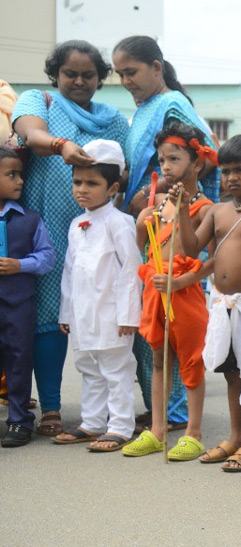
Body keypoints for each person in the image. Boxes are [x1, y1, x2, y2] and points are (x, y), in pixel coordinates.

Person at [11, 40, 130, 438]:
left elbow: (124, 172)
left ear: (100, 79)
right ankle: (40, 406)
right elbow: (29, 134)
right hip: (40, 228)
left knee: (86, 323)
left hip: (96, 230)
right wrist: (62, 146)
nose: (79, 81)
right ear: (55, 75)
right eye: (70, 73)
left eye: (88, 75)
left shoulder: (114, 120)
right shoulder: (39, 100)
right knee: (40, 318)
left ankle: (84, 415)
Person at [113, 35, 218, 430]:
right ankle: (160, 416)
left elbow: (206, 156)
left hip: (179, 230)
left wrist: (168, 195)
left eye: (132, 71)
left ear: (156, 67)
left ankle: (179, 417)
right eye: (120, 73)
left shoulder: (171, 103)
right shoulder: (142, 109)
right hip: (154, 223)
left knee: (183, 338)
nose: (125, 80)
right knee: (154, 337)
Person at [176, 134, 241, 471]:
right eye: (225, 171)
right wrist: (181, 211)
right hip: (221, 303)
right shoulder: (217, 211)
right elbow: (191, 251)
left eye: (240, 170)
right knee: (231, 372)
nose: (231, 177)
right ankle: (235, 437)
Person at [123, 122, 216, 460]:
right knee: (158, 361)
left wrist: (181, 282)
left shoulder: (205, 208)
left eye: (174, 159)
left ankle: (193, 432)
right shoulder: (158, 205)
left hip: (185, 294)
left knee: (191, 363)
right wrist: (139, 225)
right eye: (162, 160)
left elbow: (211, 260)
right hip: (155, 292)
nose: (166, 167)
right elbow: (144, 250)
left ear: (197, 163)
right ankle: (157, 430)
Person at [53, 140, 140, 452]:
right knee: (89, 367)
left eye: (92, 183)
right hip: (83, 313)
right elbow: (69, 271)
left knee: (116, 370)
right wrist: (67, 313)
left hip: (112, 313)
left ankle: (119, 426)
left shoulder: (121, 222)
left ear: (113, 187)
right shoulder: (77, 224)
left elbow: (132, 270)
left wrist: (129, 315)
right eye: (77, 182)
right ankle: (92, 422)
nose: (82, 189)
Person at [0, 147, 55, 447]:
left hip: (18, 305)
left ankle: (20, 421)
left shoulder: (30, 219)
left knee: (20, 361)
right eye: (12, 174)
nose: (20, 181)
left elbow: (47, 257)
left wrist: (20, 265)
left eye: (20, 174)